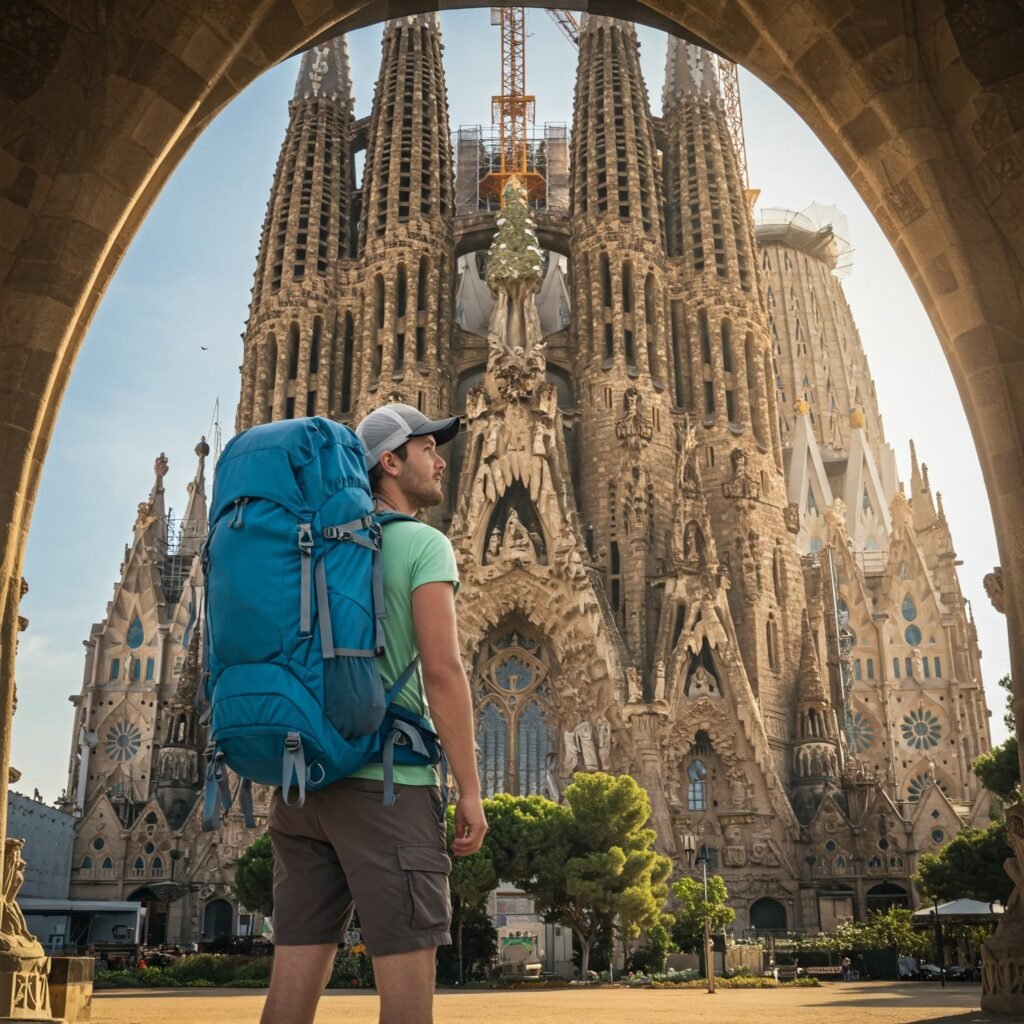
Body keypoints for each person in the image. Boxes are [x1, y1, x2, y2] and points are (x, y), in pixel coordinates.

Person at [259, 403, 487, 1024]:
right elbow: (443, 673)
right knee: (407, 1004)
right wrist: (470, 791)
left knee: (289, 998)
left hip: (303, 787)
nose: (440, 459)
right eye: (426, 448)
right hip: (387, 786)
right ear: (389, 462)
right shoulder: (421, 544)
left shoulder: (311, 543)